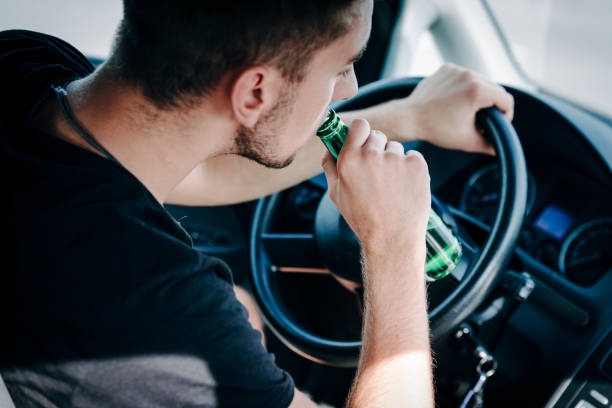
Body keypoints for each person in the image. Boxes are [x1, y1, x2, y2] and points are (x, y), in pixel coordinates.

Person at [0, 0, 514, 407]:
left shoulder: (23, 65)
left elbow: (197, 170)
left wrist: (409, 116)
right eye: (343, 66)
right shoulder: (150, 315)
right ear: (254, 93)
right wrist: (394, 246)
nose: (349, 88)